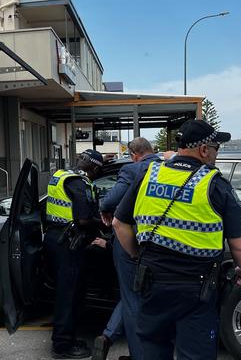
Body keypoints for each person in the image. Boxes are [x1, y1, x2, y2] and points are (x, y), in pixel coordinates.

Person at [113, 120, 241, 359]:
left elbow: (119, 223)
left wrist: (137, 255)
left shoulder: (149, 175)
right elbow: (239, 244)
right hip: (196, 291)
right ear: (203, 150)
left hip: (152, 282)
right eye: (216, 148)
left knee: (152, 348)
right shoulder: (215, 184)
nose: (216, 154)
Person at [93, 137, 160, 360]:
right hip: (162, 243)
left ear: (133, 155)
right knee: (145, 295)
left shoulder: (133, 170)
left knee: (132, 297)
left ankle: (137, 354)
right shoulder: (166, 166)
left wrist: (104, 208)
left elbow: (111, 200)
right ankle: (111, 335)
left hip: (131, 241)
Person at [44, 149, 104, 358]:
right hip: (69, 243)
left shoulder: (61, 175)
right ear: (94, 167)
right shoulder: (80, 183)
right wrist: (104, 223)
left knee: (65, 293)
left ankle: (66, 338)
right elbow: (83, 220)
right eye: (99, 170)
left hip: (55, 237)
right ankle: (62, 346)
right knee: (68, 295)